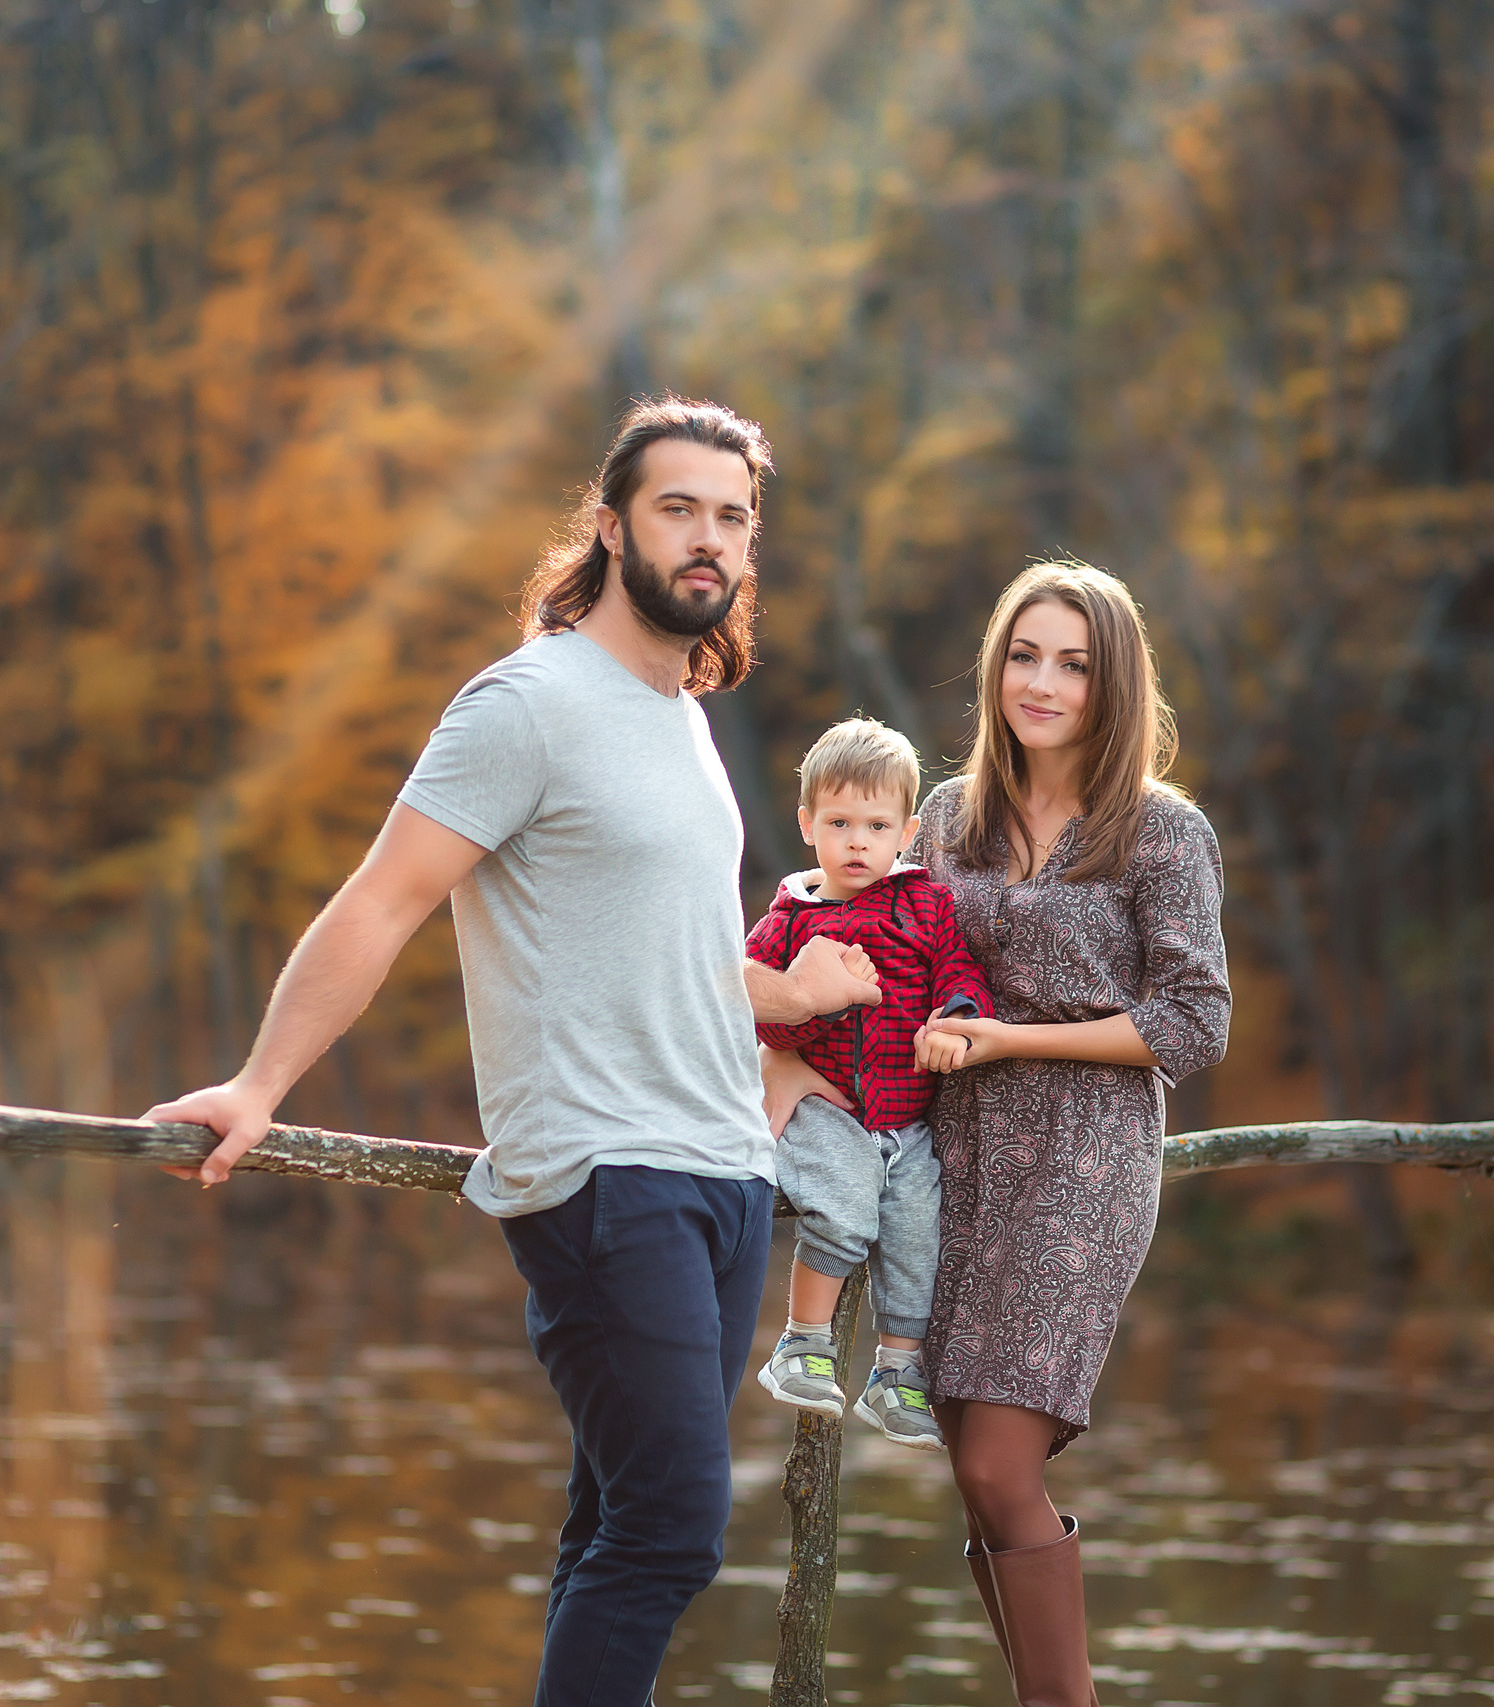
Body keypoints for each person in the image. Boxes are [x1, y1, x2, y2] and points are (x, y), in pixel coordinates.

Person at [146, 397, 883, 1707]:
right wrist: (260, 1084)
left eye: (733, 517)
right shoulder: (528, 703)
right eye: (678, 509)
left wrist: (791, 1026)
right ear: (611, 527)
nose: (709, 539)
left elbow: (671, 959)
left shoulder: (682, 717)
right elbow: (383, 898)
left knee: (614, 1527)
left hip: (725, 1170)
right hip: (604, 1169)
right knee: (670, 1530)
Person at [761, 561, 1231, 1707]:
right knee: (971, 1469)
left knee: (994, 1460)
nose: (1042, 682)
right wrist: (787, 1058)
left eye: (1073, 663)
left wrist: (1013, 1040)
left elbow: (1194, 1020)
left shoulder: (1161, 831)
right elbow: (848, 952)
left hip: (1083, 1158)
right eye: (1024, 656)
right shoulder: (940, 817)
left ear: (1114, 683)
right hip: (945, 1156)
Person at [743, 717, 994, 1450]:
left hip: (907, 1117)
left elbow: (958, 971)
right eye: (840, 823)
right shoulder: (787, 922)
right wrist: (815, 1006)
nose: (858, 842)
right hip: (825, 1103)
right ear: (807, 825)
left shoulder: (926, 906)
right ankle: (803, 1343)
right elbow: (761, 1018)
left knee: (918, 1233)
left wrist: (957, 1016)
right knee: (845, 1210)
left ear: (907, 833)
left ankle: (896, 1372)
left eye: (877, 826)